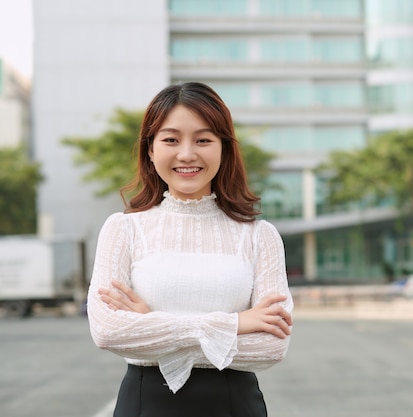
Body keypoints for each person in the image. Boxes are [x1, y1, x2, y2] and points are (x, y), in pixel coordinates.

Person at [87, 82, 293, 417]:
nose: (186, 154)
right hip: (145, 405)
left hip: (235, 407)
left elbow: (271, 347)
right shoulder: (123, 229)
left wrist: (151, 324)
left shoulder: (260, 236)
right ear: (150, 150)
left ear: (223, 148)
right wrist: (236, 323)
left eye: (203, 140)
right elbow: (109, 332)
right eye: (170, 139)